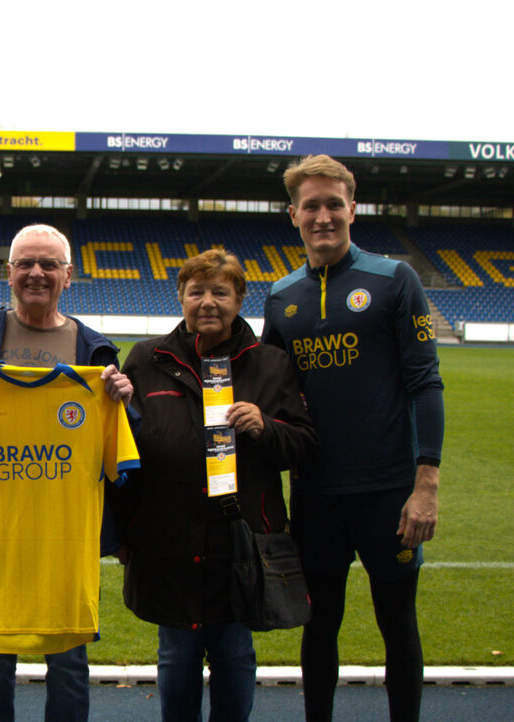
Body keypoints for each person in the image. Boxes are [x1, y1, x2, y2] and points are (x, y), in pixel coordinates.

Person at [0, 223, 134, 722]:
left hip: (63, 544)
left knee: (68, 663)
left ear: (68, 275)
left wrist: (127, 404)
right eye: (25, 264)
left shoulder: (95, 350)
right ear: (10, 273)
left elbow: (126, 453)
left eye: (47, 264)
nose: (36, 273)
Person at [261, 155, 444, 722]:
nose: (323, 216)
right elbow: (270, 391)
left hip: (389, 493)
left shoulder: (394, 279)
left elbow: (425, 381)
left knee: (398, 626)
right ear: (293, 215)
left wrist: (426, 484)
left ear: (352, 209)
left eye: (333, 204)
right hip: (316, 496)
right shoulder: (280, 296)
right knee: (319, 628)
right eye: (311, 206)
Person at [110, 249, 317, 721]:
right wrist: (123, 534)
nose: (208, 302)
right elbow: (122, 451)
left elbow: (304, 444)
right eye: (196, 291)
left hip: (240, 544)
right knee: (177, 657)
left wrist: (267, 427)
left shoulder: (270, 364)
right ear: (181, 297)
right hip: (167, 543)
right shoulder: (146, 359)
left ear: (240, 299)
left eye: (220, 291)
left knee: (234, 657)